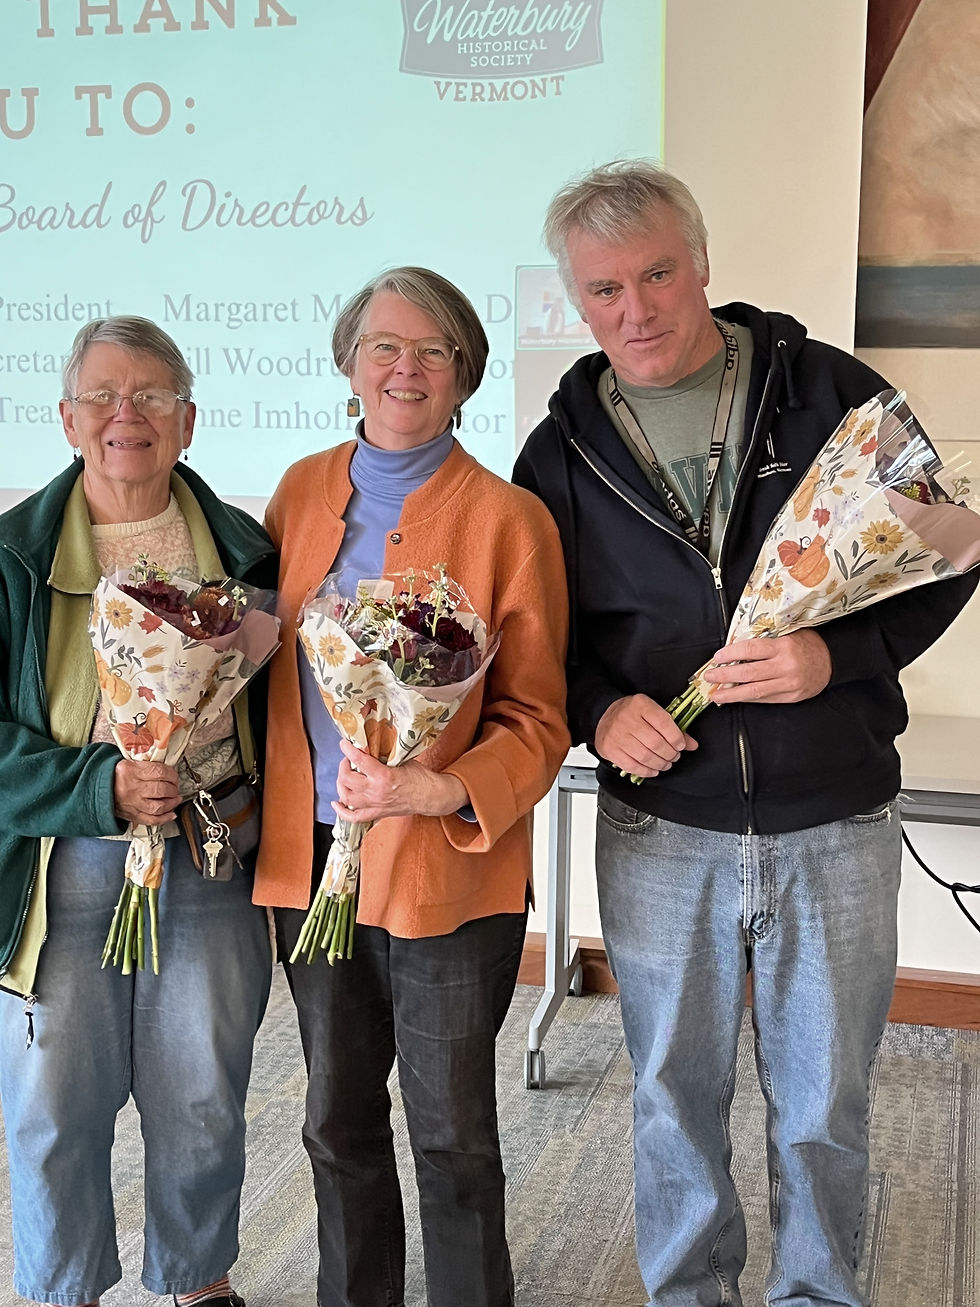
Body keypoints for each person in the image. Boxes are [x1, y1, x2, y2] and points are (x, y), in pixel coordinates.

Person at [512, 161, 979, 1307]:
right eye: (603, 289)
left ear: (702, 264)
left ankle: (818, 1294)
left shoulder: (829, 392)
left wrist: (838, 657)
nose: (635, 309)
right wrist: (595, 709)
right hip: (660, 830)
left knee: (822, 1101)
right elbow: (539, 633)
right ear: (576, 300)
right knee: (671, 1094)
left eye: (657, 273)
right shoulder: (558, 449)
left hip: (835, 817)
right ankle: (689, 1295)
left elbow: (949, 548)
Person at [253, 266, 570, 1307]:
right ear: (350, 363)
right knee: (334, 1121)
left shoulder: (508, 519)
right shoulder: (299, 492)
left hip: (444, 878)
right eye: (385, 346)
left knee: (451, 1134)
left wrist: (447, 791)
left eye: (432, 350)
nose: (406, 368)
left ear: (464, 373)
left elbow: (536, 717)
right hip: (312, 869)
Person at [0, 316, 276, 1307]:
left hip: (212, 855)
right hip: (62, 864)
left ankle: (198, 1278)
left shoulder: (250, 553)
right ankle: (62, 1285)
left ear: (189, 419)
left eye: (154, 395)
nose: (130, 415)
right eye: (107, 396)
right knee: (53, 1104)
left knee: (202, 1093)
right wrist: (97, 784)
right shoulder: (12, 558)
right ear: (69, 417)